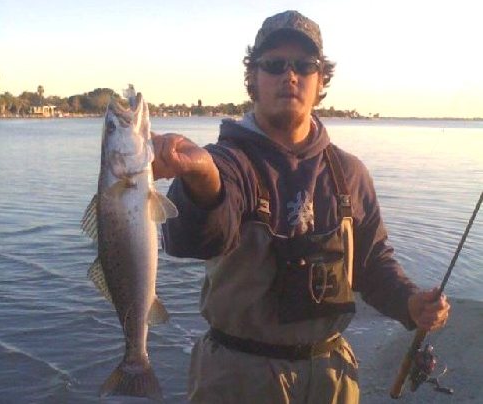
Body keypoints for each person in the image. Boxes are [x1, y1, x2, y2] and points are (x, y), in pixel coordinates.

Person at [152, 10, 450, 404]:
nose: (289, 76)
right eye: (274, 64)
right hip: (238, 378)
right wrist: (201, 175)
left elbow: (372, 263)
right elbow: (196, 237)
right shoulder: (229, 160)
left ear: (320, 79)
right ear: (253, 80)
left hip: (333, 377)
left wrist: (410, 303)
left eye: (304, 65)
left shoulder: (349, 173)